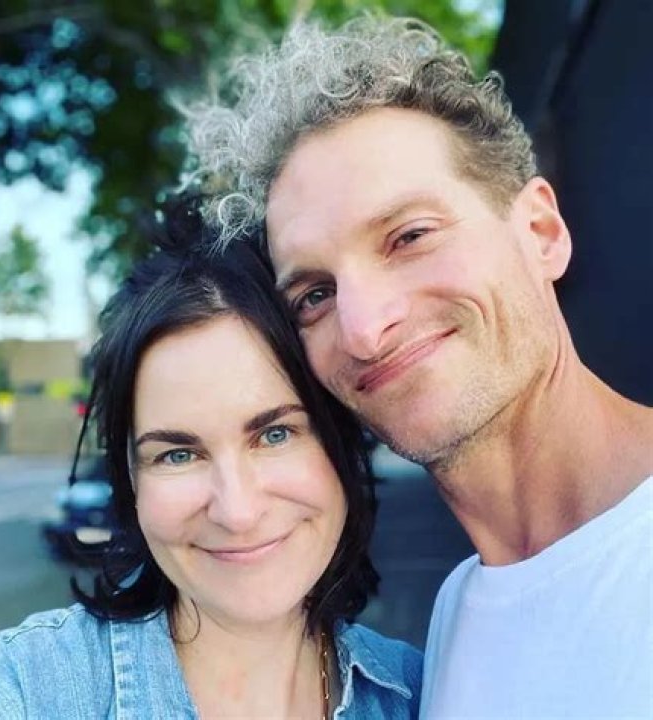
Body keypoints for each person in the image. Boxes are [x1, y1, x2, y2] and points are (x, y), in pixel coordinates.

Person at [186, 16, 653, 718]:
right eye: (314, 295)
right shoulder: (457, 614)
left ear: (540, 233)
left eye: (409, 237)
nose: (364, 329)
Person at [0, 198, 422, 719]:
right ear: (131, 480)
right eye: (178, 455)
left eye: (275, 434)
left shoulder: (422, 694)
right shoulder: (16, 695)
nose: (237, 512)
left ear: (340, 443)